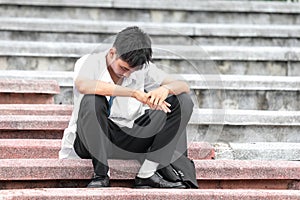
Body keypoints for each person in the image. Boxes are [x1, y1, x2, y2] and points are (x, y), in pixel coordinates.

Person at [59, 26, 194, 188]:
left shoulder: (143, 68)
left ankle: (147, 173)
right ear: (112, 53)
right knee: (92, 99)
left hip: (130, 139)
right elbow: (84, 85)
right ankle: (101, 174)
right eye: (123, 68)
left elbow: (183, 85)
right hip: (91, 140)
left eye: (132, 70)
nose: (127, 74)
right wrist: (133, 93)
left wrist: (165, 90)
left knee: (183, 100)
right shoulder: (89, 62)